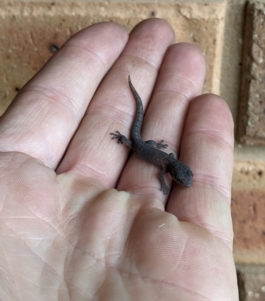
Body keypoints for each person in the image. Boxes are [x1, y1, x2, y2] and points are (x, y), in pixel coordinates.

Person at [0, 18, 238, 300]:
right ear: (176, 171)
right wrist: (132, 146)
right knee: (133, 134)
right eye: (181, 177)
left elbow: (166, 163)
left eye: (182, 177)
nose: (181, 180)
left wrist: (154, 148)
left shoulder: (168, 162)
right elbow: (160, 172)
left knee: (140, 129)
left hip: (144, 144)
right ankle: (127, 127)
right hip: (137, 145)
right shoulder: (164, 166)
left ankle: (132, 115)